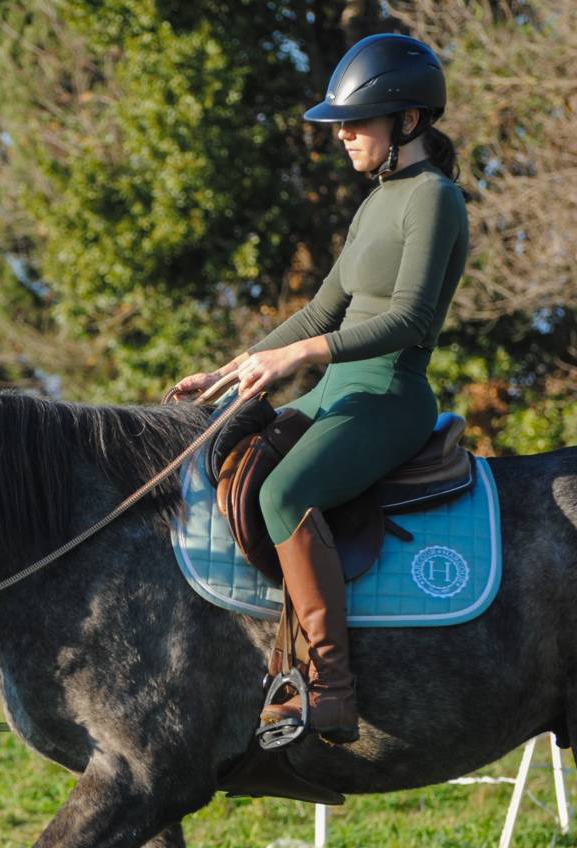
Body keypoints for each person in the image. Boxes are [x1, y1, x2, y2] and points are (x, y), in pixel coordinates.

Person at [167, 33, 470, 744]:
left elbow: (410, 318)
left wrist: (301, 355)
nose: (341, 135)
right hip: (334, 389)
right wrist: (232, 369)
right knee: (224, 453)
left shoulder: (434, 199)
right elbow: (321, 310)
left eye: (354, 122)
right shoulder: (376, 203)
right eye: (338, 123)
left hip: (389, 395)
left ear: (409, 123)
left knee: (282, 493)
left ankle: (330, 687)